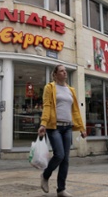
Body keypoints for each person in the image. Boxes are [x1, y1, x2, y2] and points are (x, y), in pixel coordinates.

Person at [38, 64, 87, 197]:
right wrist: (43, 123)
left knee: (65, 160)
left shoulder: (71, 90)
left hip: (68, 127)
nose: (65, 73)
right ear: (55, 74)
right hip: (54, 127)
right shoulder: (50, 87)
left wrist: (81, 128)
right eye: (61, 71)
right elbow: (47, 106)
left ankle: (61, 190)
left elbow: (75, 111)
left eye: (65, 71)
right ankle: (45, 175)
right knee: (59, 155)